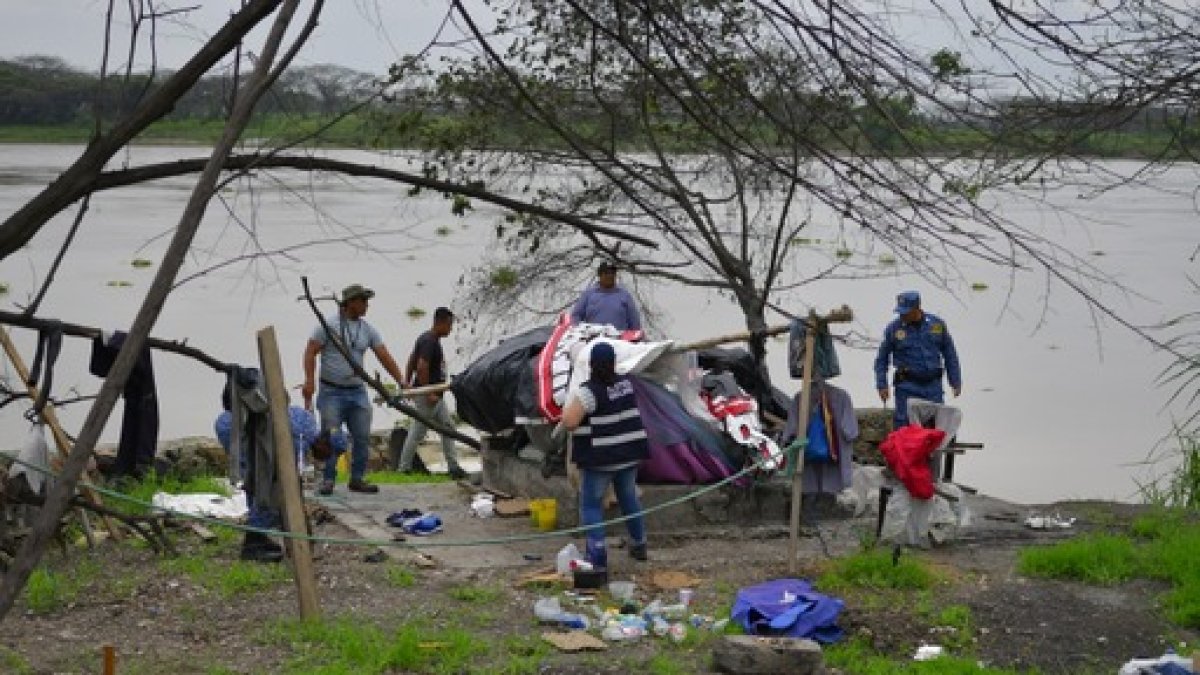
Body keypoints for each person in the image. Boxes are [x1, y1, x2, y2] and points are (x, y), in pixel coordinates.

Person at [215, 385, 347, 562]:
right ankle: (254, 543)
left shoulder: (305, 420)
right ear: (325, 444)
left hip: (233, 424)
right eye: (328, 454)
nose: (324, 458)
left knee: (257, 485)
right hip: (242, 431)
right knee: (270, 490)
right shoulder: (302, 435)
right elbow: (289, 478)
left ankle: (263, 537)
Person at [302, 283, 407, 495]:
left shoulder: (366, 329)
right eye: (363, 301)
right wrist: (309, 381)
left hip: (357, 391)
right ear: (350, 303)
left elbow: (383, 355)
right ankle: (328, 479)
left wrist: (401, 380)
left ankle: (357, 478)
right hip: (331, 391)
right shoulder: (328, 326)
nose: (367, 305)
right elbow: (310, 351)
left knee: (361, 436)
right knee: (330, 436)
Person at [560, 341, 650, 566]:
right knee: (629, 498)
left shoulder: (589, 392)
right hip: (628, 455)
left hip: (601, 458)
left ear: (590, 364)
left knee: (591, 504)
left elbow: (570, 422)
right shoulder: (626, 385)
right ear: (614, 363)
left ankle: (597, 554)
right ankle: (639, 544)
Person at [874, 291, 962, 429]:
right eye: (900, 312)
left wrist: (955, 380)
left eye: (906, 312)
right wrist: (882, 384)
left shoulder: (936, 325)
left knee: (935, 427)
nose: (902, 315)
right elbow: (882, 358)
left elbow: (949, 353)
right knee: (905, 427)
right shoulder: (893, 329)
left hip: (933, 386)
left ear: (917, 309)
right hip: (907, 387)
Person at [397, 306, 466, 480]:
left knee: (448, 427)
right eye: (449, 325)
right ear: (440, 323)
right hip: (429, 396)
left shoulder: (427, 339)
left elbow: (411, 360)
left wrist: (407, 382)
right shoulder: (429, 341)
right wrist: (426, 392)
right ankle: (404, 468)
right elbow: (421, 366)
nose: (450, 329)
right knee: (417, 432)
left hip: (435, 396)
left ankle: (453, 467)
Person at [569, 261, 642, 331]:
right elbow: (576, 316)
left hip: (618, 340)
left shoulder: (624, 295)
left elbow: (634, 322)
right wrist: (580, 330)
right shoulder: (588, 294)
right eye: (606, 273)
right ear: (600, 275)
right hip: (593, 339)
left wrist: (638, 339)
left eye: (612, 273)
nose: (610, 276)